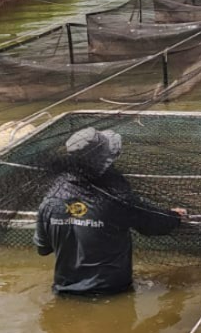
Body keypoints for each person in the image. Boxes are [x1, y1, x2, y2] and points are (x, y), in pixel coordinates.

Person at [35, 126, 186, 296]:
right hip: (112, 293)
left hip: (63, 294)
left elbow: (43, 249)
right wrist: (174, 216)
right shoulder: (115, 199)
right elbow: (155, 224)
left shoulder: (49, 200)